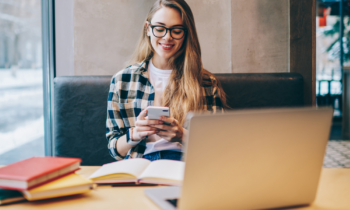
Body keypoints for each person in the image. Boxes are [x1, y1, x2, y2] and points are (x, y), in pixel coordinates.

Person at [106, 0, 227, 161]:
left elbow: (219, 146)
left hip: (186, 163)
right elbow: (114, 149)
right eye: (160, 28)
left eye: (176, 30)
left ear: (186, 34)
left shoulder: (206, 83)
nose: (167, 37)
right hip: (140, 163)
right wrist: (135, 134)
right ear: (148, 29)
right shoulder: (122, 81)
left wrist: (182, 135)